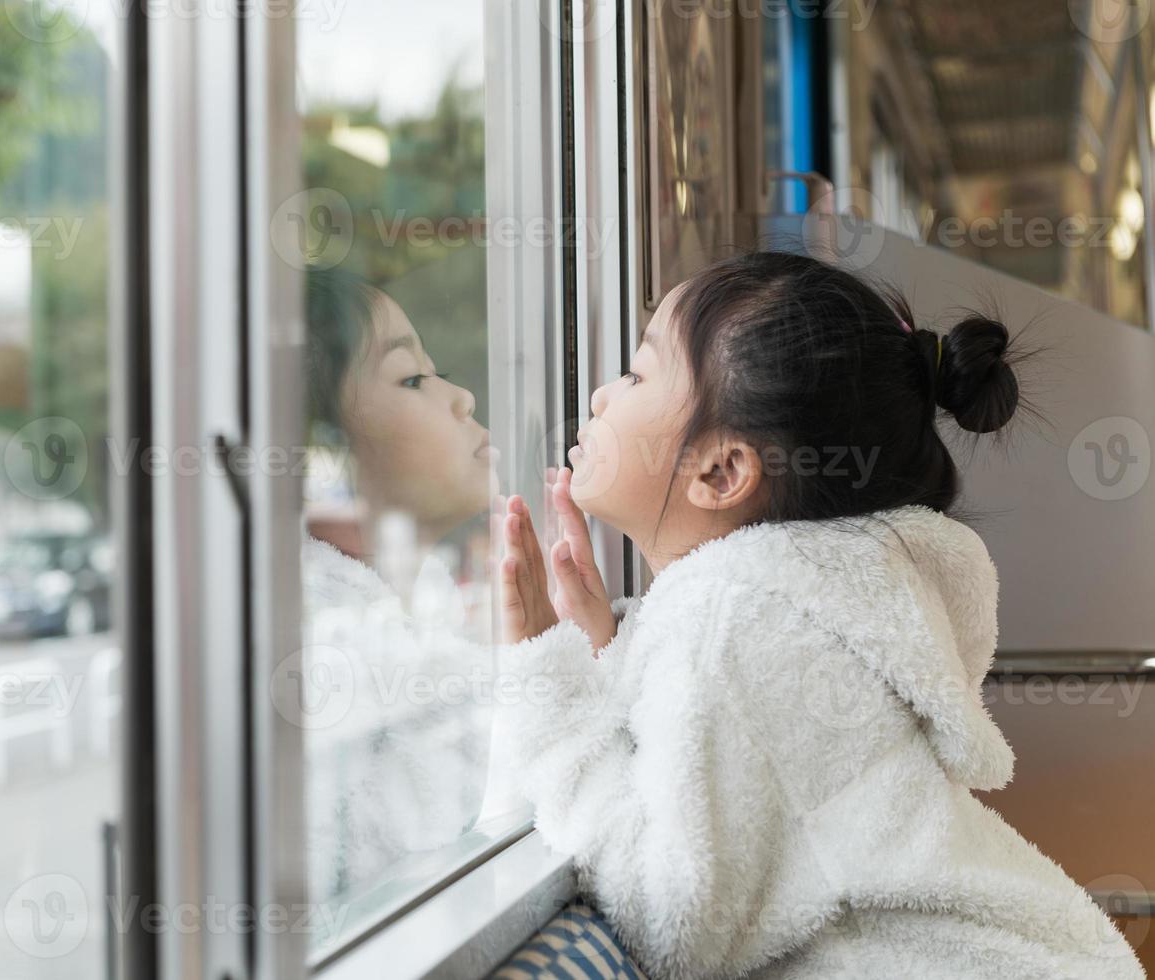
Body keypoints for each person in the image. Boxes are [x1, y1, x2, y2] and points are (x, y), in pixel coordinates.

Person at [495, 251, 1143, 979]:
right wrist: (604, 650)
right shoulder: (782, 606)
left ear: (720, 472)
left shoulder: (735, 615)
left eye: (638, 375)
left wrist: (549, 700)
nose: (602, 396)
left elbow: (671, 922)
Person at [300, 267, 497, 909]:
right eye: (413, 378)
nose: (462, 397)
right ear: (319, 454)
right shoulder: (322, 653)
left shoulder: (423, 609)